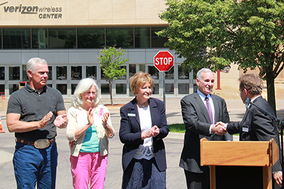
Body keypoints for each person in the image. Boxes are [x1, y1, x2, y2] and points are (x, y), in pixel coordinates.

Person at [6, 57, 68, 189]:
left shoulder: (55, 94)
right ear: (30, 73)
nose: (45, 76)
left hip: (49, 150)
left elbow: (64, 119)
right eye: (41, 73)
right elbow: (11, 125)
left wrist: (62, 122)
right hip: (26, 151)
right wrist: (38, 124)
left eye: (46, 72)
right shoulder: (17, 97)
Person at [216, 73, 282, 188]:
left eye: (240, 91)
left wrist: (276, 169)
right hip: (257, 167)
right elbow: (246, 125)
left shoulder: (257, 109)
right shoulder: (257, 104)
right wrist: (227, 126)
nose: (240, 94)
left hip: (264, 169)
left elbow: (271, 139)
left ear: (245, 91)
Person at [179, 68, 232, 189]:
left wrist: (229, 144)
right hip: (196, 160)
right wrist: (212, 128)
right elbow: (192, 123)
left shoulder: (220, 101)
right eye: (207, 80)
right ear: (198, 81)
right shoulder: (188, 101)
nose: (210, 84)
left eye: (212, 81)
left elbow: (226, 124)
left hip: (217, 160)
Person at [119, 71, 169, 189]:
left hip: (155, 159)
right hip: (135, 160)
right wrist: (143, 135)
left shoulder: (159, 105)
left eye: (149, 87)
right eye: (144, 88)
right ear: (136, 90)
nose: (148, 91)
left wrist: (158, 132)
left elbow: (165, 128)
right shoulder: (126, 109)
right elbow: (124, 136)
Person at [66, 78, 114, 189]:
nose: (91, 96)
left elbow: (111, 134)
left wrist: (106, 125)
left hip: (100, 155)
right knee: (80, 186)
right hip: (81, 156)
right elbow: (70, 136)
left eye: (93, 92)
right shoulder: (74, 111)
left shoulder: (102, 109)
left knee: (98, 186)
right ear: (80, 94)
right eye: (88, 93)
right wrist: (88, 124)